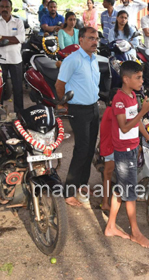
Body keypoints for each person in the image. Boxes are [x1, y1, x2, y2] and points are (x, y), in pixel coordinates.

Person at [104, 61, 149, 249]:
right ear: (126, 79)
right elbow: (125, 127)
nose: (141, 81)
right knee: (130, 193)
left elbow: (137, 123)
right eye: (138, 77)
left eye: (142, 77)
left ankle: (110, 226)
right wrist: (144, 110)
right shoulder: (119, 100)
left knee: (122, 188)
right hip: (124, 151)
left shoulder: (133, 95)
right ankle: (135, 233)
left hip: (133, 147)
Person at [55, 27, 101, 207]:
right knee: (81, 149)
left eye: (96, 38)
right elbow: (60, 85)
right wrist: (65, 104)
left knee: (90, 149)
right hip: (78, 109)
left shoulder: (94, 59)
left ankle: (82, 184)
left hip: (93, 108)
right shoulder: (72, 60)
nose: (94, 41)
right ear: (80, 40)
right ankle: (68, 192)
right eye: (90, 38)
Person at [0, 0, 25, 112]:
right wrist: (12, 39)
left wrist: (2, 38)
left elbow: (21, 39)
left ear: (11, 8)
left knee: (18, 88)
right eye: (2, 7)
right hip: (0, 60)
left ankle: (19, 114)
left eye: (7, 7)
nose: (5, 9)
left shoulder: (18, 22)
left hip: (16, 59)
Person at [98, 88, 118, 212]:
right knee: (108, 173)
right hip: (111, 147)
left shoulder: (110, 110)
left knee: (108, 174)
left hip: (109, 145)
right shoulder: (113, 112)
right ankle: (105, 202)